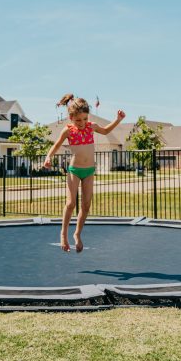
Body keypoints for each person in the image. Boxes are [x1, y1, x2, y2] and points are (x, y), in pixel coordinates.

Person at [43, 94, 125, 252]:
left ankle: (77, 234)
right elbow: (55, 145)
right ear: (71, 117)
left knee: (86, 205)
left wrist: (118, 119)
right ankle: (63, 234)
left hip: (89, 171)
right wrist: (48, 157)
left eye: (85, 119)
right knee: (70, 203)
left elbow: (106, 130)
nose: (82, 123)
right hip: (74, 170)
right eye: (78, 120)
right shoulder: (67, 131)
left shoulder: (91, 126)